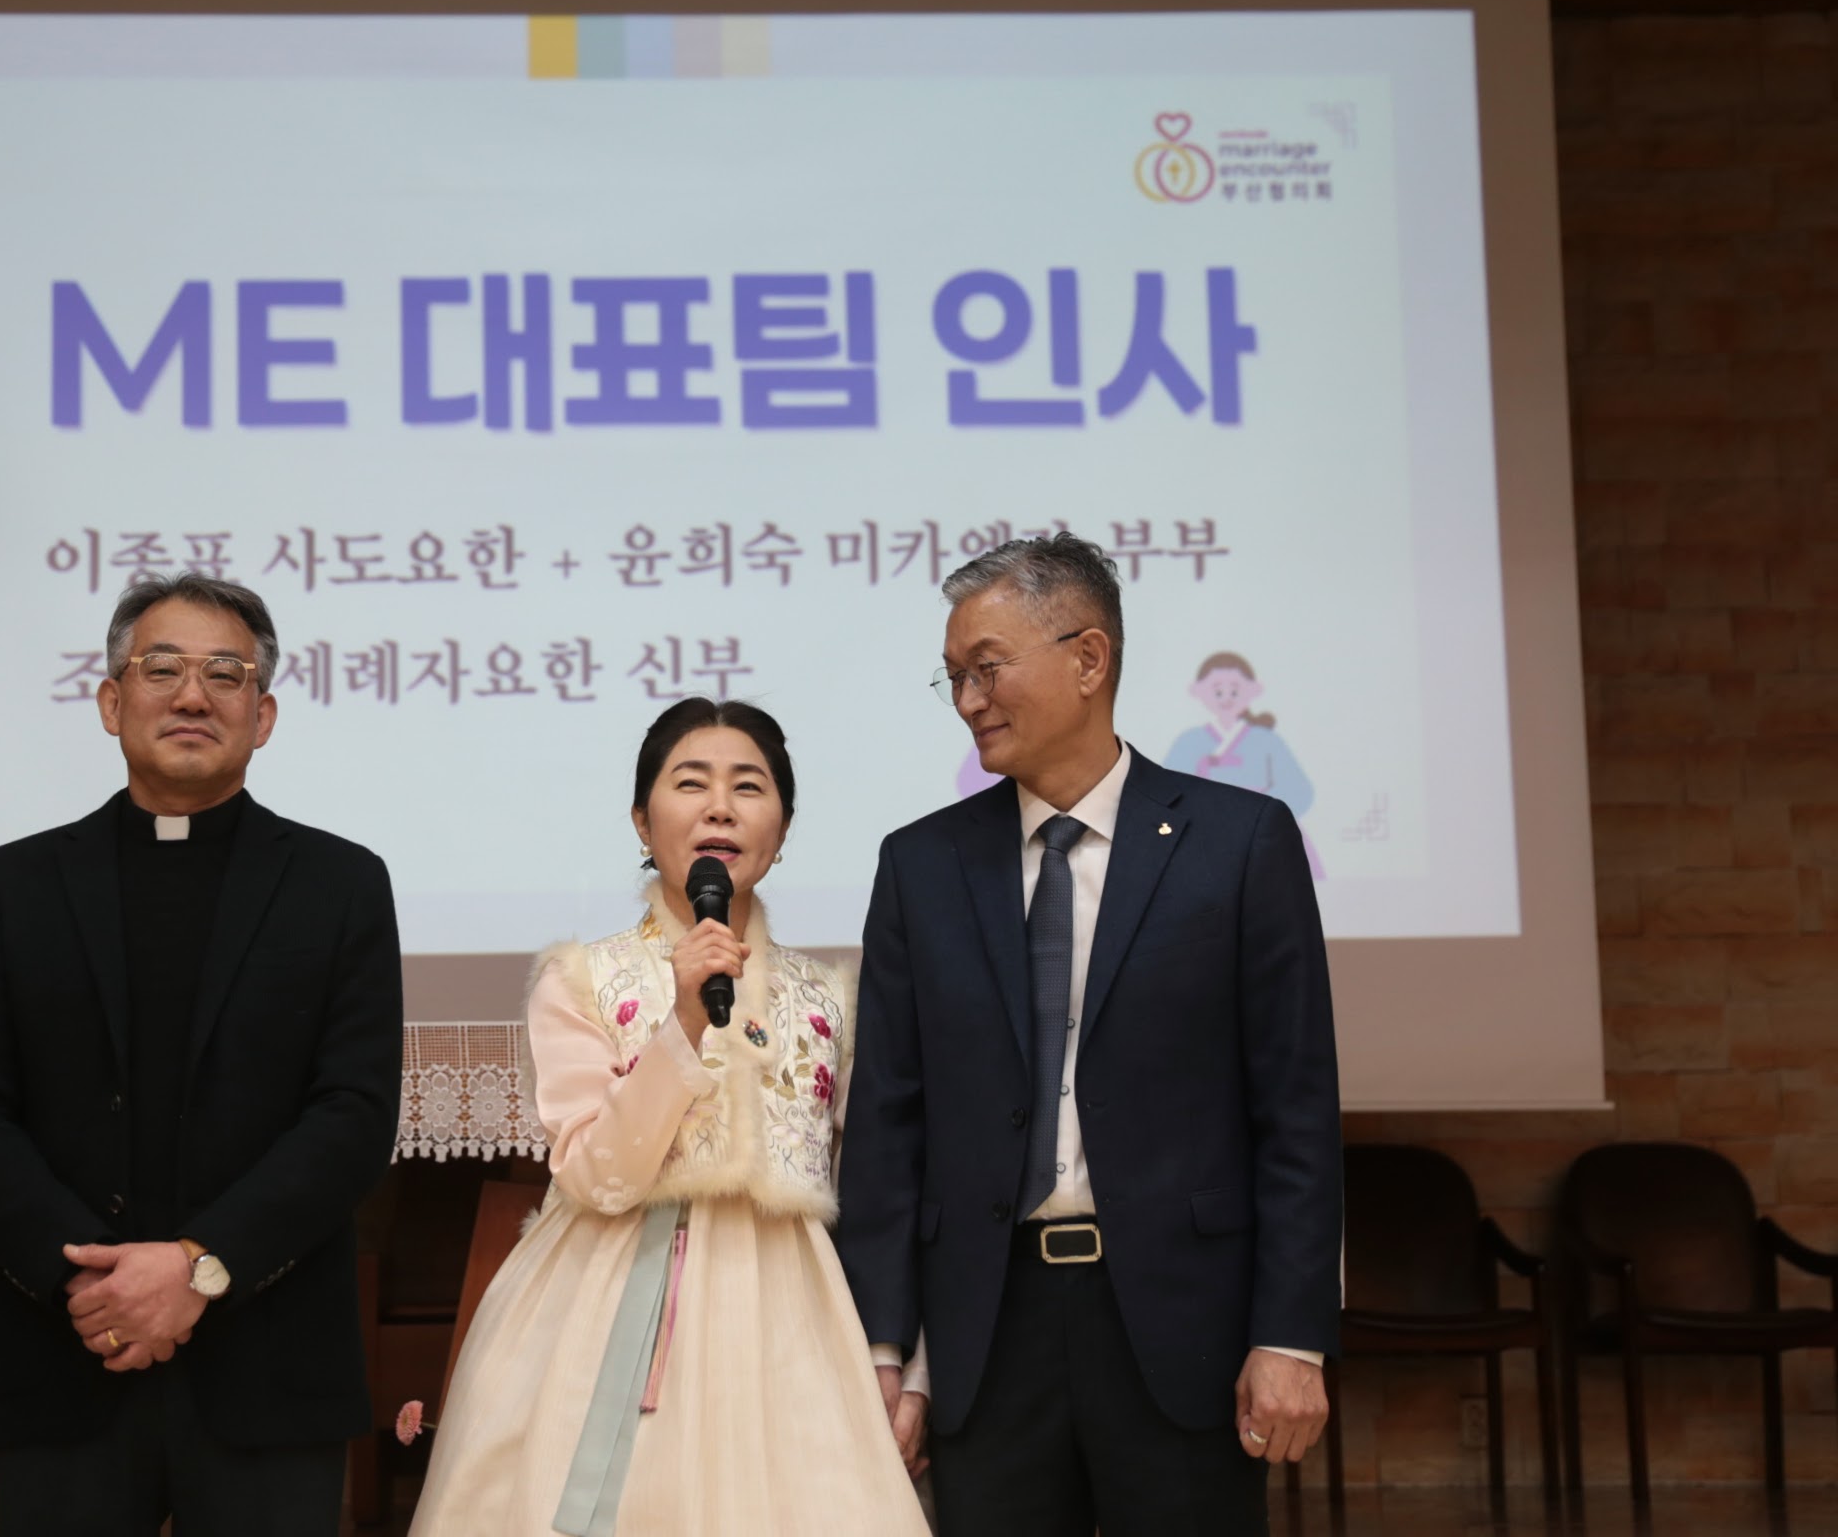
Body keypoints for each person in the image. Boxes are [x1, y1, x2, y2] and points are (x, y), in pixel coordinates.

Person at [837, 535, 1342, 1536]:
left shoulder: (1240, 844)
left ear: (1089, 658)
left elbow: (1296, 1111)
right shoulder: (922, 866)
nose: (968, 699)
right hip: (987, 1333)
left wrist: (1292, 1335)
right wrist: (884, 1348)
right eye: (953, 677)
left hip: (1184, 1328)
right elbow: (890, 1125)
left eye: (987, 667)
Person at [0, 572, 403, 1536]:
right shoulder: (13, 887)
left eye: (226, 674)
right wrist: (92, 1285)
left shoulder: (341, 885)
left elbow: (352, 1116)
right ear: (112, 702)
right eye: (163, 669)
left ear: (263, 716)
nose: (193, 695)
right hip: (67, 1356)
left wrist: (200, 1268)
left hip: (270, 1369)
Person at [406, 698, 932, 1537]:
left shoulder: (827, 996)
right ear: (642, 823)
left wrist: (900, 1356)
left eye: (748, 787)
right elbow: (595, 1174)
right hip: (608, 1303)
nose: (720, 807)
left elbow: (878, 1190)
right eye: (691, 783)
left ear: (782, 830)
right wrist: (683, 1021)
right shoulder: (583, 978)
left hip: (796, 1321)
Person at [1161, 651, 1324, 878]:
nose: (1226, 698)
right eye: (1218, 691)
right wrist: (1202, 769)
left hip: (1263, 839)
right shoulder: (1189, 741)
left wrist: (1257, 803)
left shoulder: (1266, 740)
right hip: (1199, 838)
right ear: (1198, 691)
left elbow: (1301, 792)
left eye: (1235, 691)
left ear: (1253, 690)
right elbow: (1163, 796)